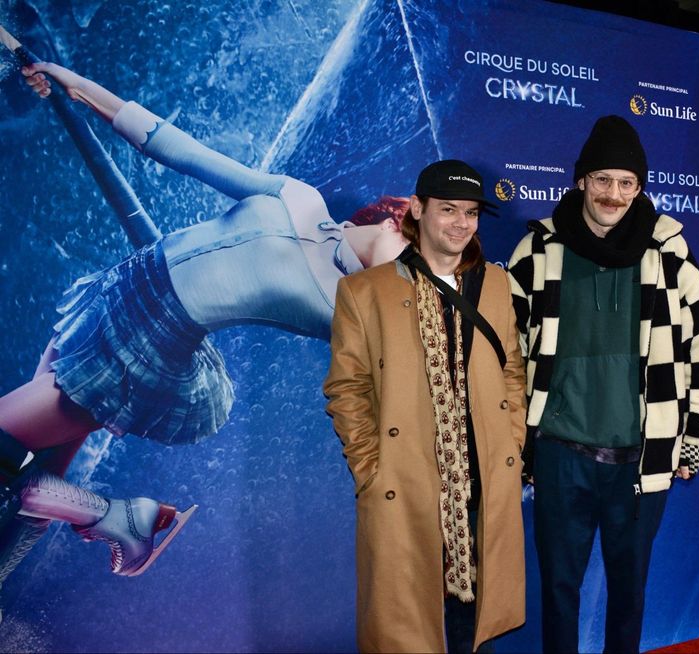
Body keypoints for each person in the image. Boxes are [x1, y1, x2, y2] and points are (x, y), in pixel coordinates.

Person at [0, 61, 411, 580]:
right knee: (40, 478)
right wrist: (78, 87)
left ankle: (121, 516)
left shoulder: (346, 308)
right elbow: (180, 149)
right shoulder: (301, 198)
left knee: (16, 452)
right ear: (401, 214)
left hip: (140, 352)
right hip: (117, 293)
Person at [507, 115, 699, 653]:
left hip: (641, 459)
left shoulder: (670, 253)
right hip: (560, 453)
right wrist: (515, 436)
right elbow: (504, 351)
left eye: (627, 183)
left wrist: (691, 434)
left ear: (640, 187)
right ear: (581, 180)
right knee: (558, 589)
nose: (614, 194)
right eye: (602, 179)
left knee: (629, 592)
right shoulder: (537, 250)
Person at [323, 160, 527, 653]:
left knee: (473, 626)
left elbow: (513, 372)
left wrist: (511, 446)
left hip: (482, 481)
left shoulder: (495, 285)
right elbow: (346, 389)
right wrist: (372, 468)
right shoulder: (363, 291)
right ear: (418, 210)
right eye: (448, 210)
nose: (461, 223)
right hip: (406, 483)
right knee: (410, 629)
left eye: (472, 213)